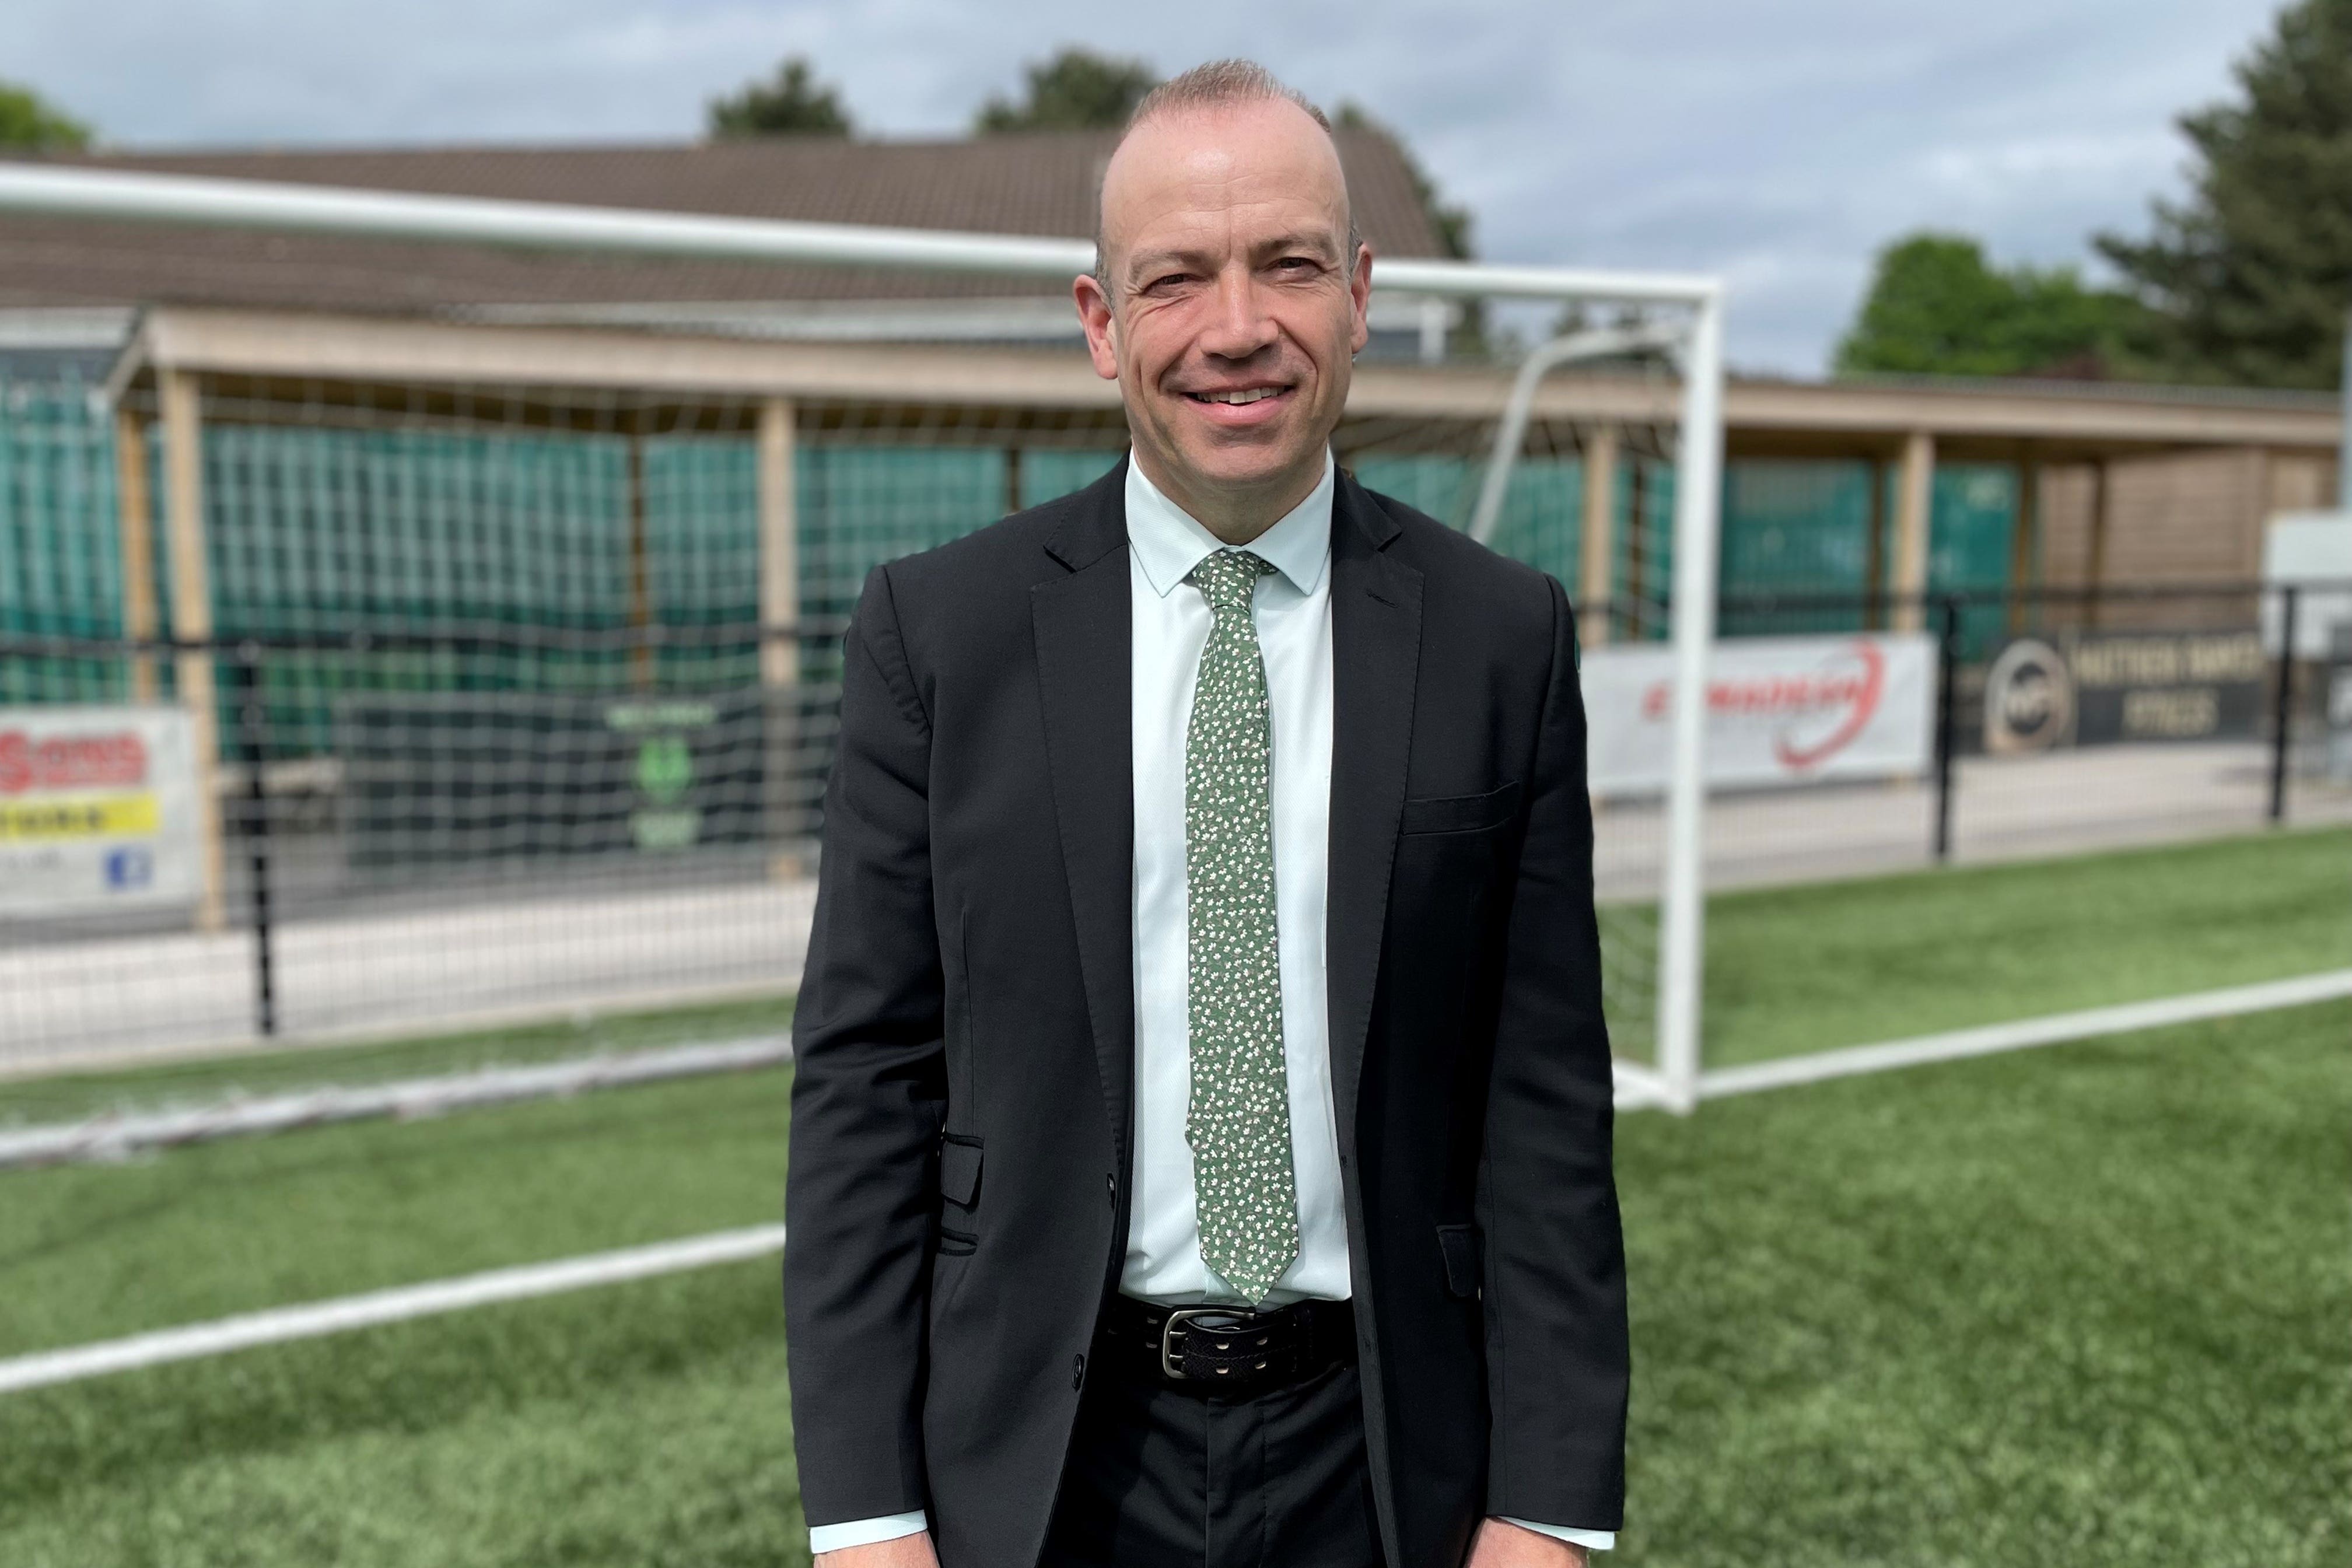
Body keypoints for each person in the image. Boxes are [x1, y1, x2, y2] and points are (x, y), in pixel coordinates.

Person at [783, 58, 1628, 1568]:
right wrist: (864, 1517)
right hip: (1042, 1463)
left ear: (1360, 293)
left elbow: (1542, 1096)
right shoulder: (939, 636)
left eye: (1288, 265)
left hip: (1385, 1458)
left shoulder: (1502, 636)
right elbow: (864, 1083)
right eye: (1176, 279)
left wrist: (1549, 1507)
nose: (1238, 328)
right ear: (1103, 324)